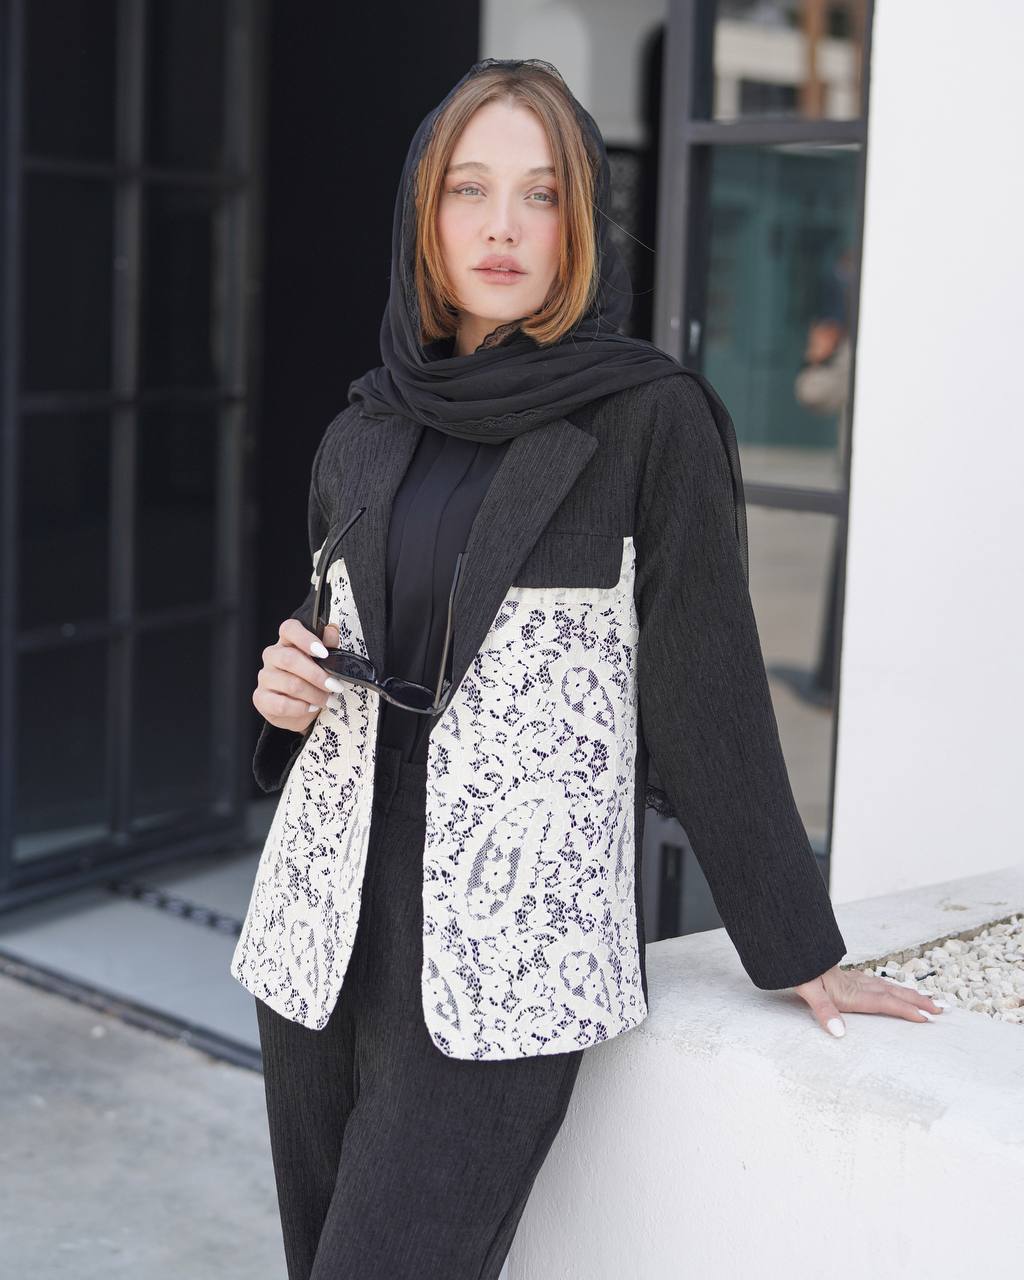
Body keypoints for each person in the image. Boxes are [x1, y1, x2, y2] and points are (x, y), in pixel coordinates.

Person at [230, 57, 944, 1280]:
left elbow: (706, 689)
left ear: (581, 222)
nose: (502, 225)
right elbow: (329, 634)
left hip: (510, 945)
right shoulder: (363, 427)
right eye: (468, 189)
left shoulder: (645, 422)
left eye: (541, 193)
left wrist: (797, 944)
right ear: (424, 217)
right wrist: (282, 690)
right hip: (318, 930)